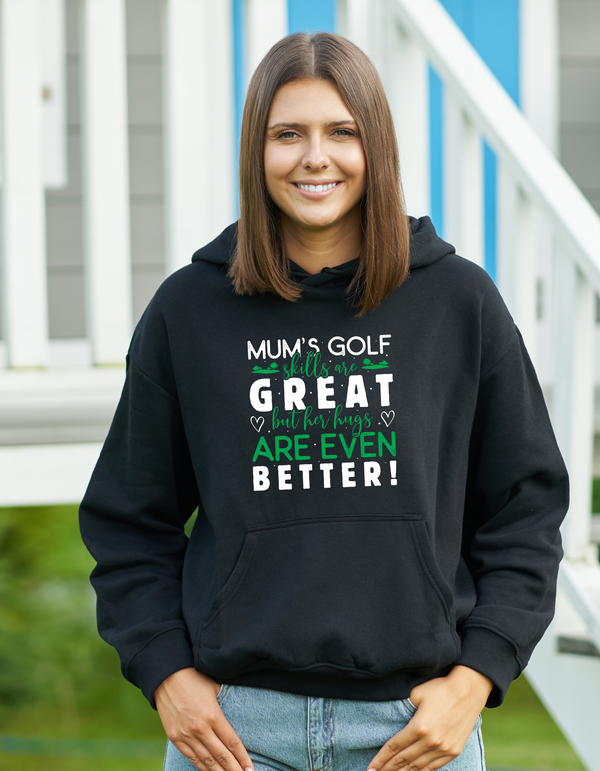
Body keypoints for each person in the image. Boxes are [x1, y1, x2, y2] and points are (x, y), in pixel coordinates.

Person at [79, 32, 568, 771]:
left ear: (376, 147)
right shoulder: (190, 311)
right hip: (236, 734)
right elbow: (128, 519)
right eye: (288, 134)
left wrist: (476, 678)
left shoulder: (456, 301)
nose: (316, 157)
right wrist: (166, 673)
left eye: (342, 131)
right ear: (257, 151)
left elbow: (525, 509)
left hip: (414, 729)